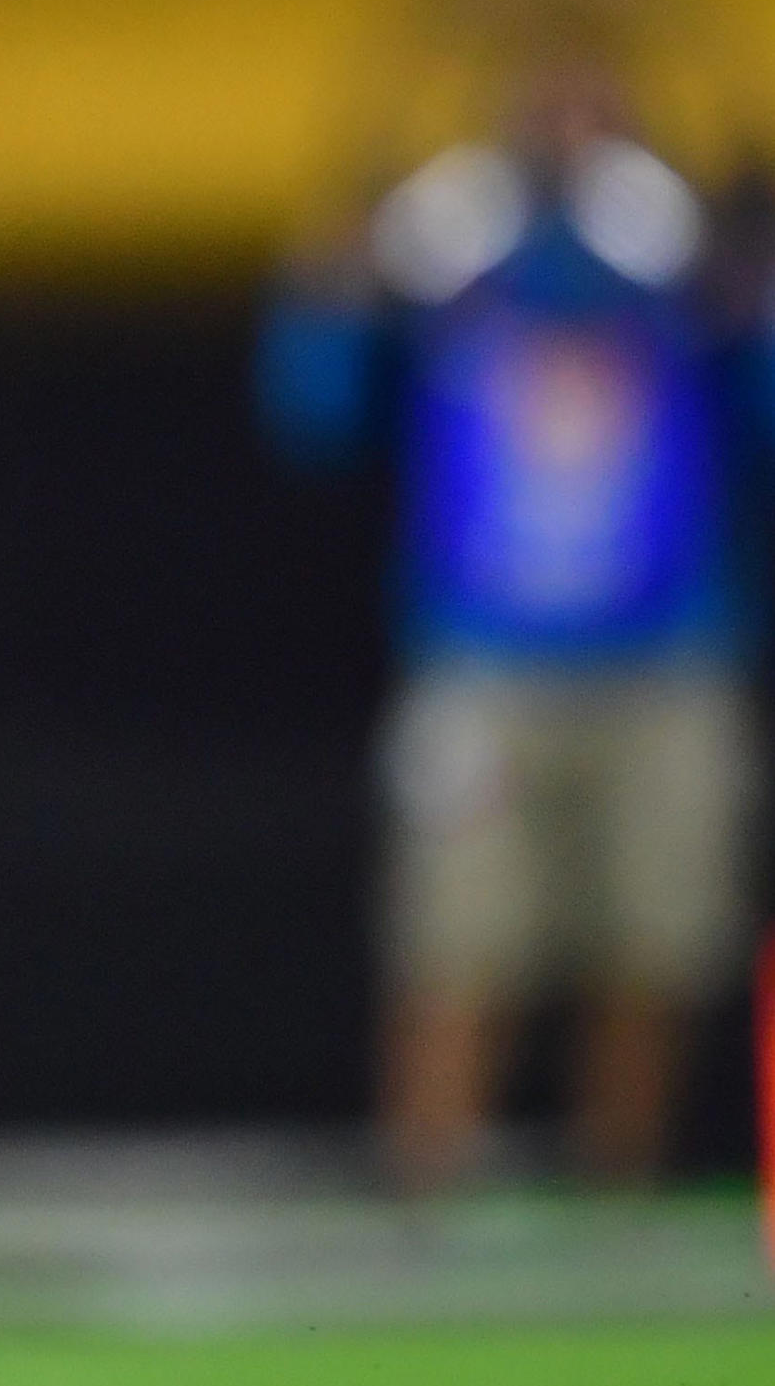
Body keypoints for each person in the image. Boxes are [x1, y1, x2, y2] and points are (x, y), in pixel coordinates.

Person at [263, 60, 771, 1194]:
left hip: (663, 661)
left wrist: (747, 289)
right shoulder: (458, 271)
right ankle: (427, 1190)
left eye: (593, 116)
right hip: (482, 662)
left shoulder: (680, 272)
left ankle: (615, 1187)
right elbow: (312, 410)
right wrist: (333, 282)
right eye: (548, 116)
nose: (569, 143)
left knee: (654, 943)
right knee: (455, 943)